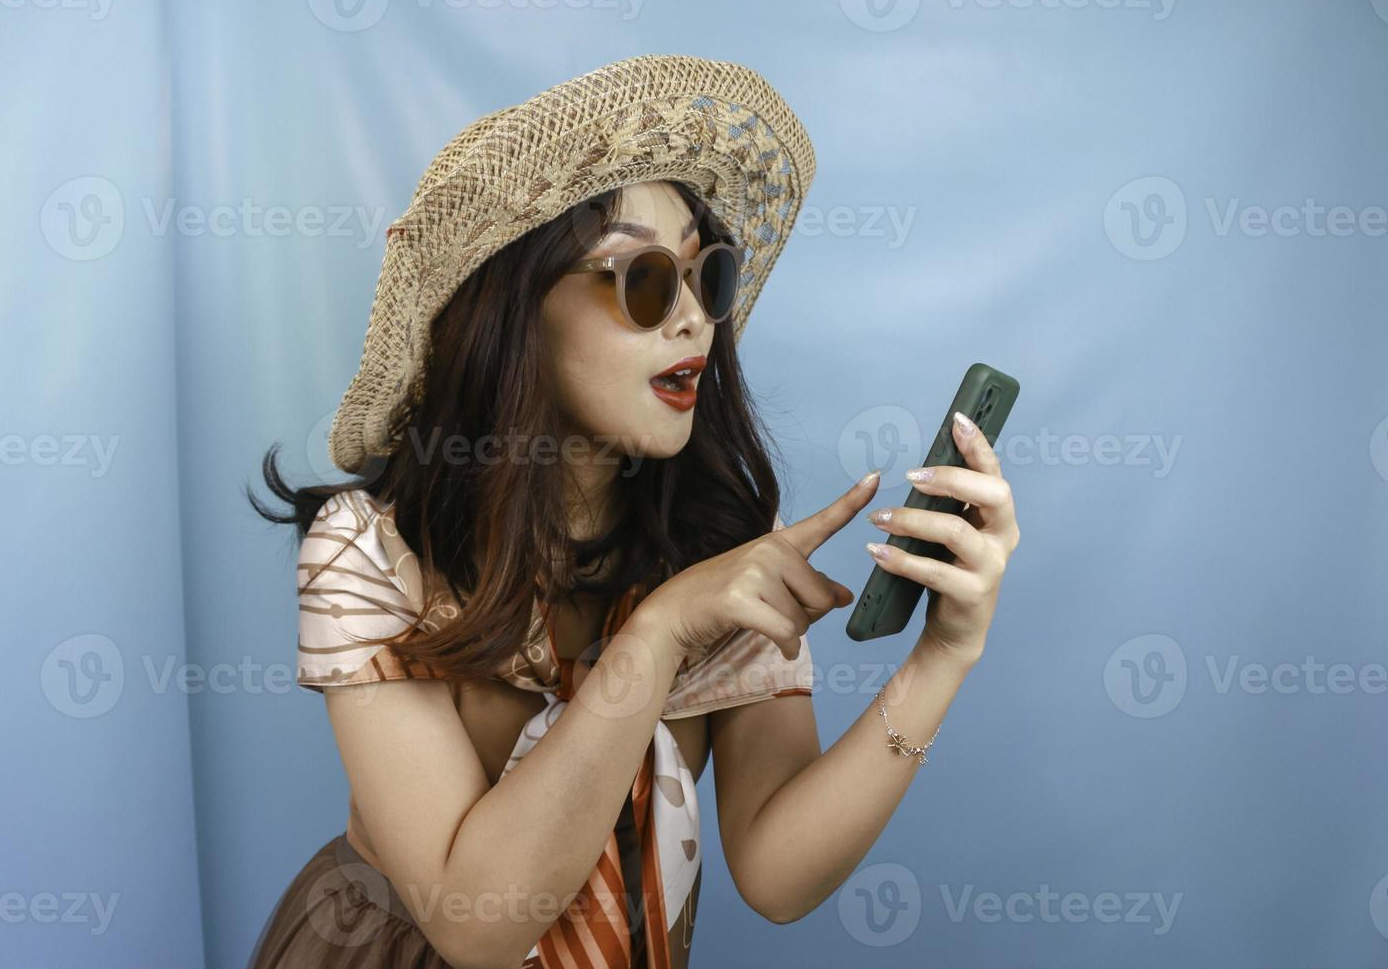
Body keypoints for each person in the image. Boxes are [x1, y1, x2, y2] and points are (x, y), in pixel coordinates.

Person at [245, 54, 1020, 968]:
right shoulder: (374, 552)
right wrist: (654, 640)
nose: (694, 317)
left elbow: (777, 873)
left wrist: (944, 655)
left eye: (708, 276)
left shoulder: (718, 556)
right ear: (513, 310)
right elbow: (475, 923)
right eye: (644, 280)